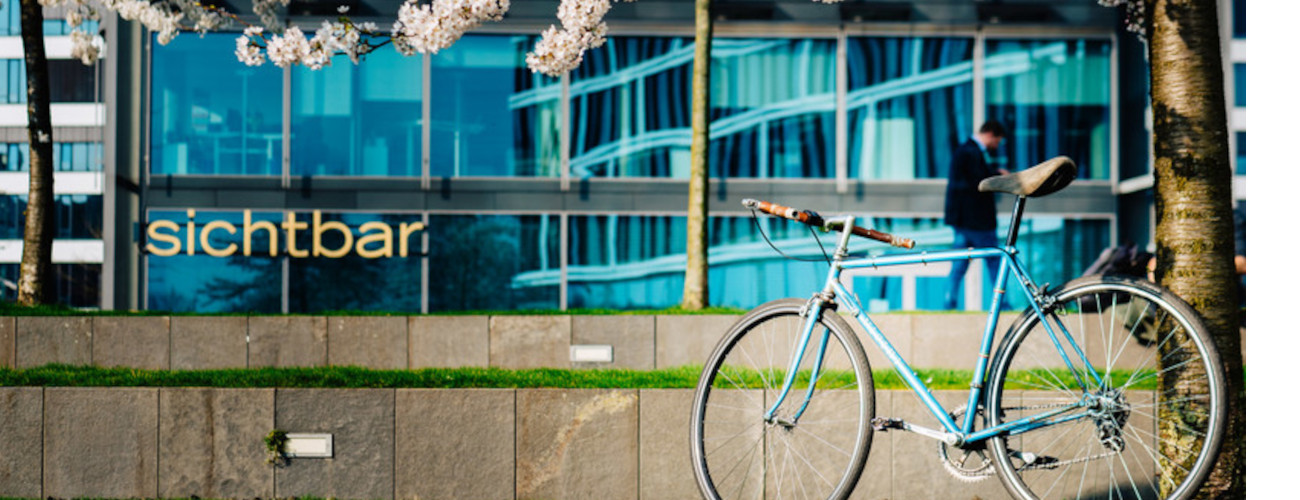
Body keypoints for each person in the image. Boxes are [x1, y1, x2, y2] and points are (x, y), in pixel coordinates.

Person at [943, 120, 1009, 310]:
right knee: (995, 262)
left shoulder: (965, 151)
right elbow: (979, 182)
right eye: (997, 141)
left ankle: (949, 303)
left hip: (965, 221)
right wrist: (997, 176)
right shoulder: (970, 152)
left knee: (959, 265)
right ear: (990, 134)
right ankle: (1003, 304)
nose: (996, 146)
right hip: (977, 222)